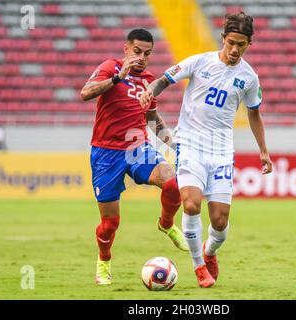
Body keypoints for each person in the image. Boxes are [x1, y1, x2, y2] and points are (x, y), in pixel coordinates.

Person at [140, 12, 273, 288]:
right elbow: (164, 79)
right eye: (232, 42)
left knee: (220, 224)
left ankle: (209, 251)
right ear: (223, 38)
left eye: (242, 44)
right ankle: (199, 268)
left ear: (249, 44)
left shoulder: (249, 78)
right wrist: (149, 92)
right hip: (190, 144)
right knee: (190, 204)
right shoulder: (200, 62)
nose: (235, 49)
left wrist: (263, 150)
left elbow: (254, 114)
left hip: (222, 151)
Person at [80, 28, 188, 285]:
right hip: (106, 153)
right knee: (110, 224)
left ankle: (166, 224)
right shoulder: (110, 67)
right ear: (126, 49)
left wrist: (174, 144)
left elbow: (152, 118)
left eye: (147, 53)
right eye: (137, 51)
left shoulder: (149, 80)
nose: (141, 57)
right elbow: (85, 93)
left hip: (136, 148)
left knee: (173, 182)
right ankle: (104, 262)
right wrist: (119, 77)